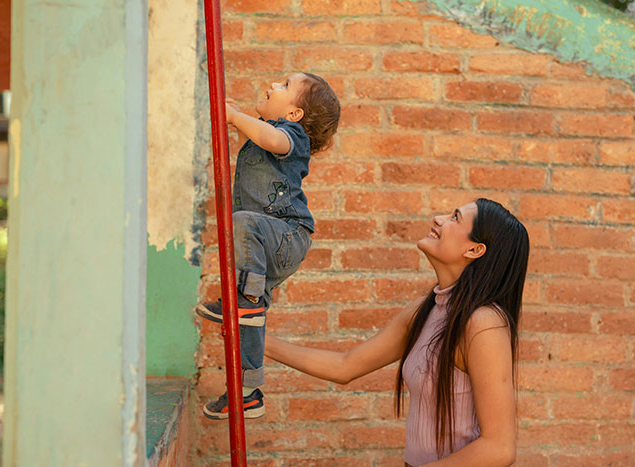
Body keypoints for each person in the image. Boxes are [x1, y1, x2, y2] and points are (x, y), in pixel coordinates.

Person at [266, 198, 529, 466]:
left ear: (474, 249)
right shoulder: (424, 311)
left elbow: (499, 448)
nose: (438, 218)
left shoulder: (483, 323)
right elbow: (344, 366)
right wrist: (258, 342)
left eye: (455, 218)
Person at [196, 72, 341, 420]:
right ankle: (246, 393)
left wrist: (235, 118)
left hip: (286, 235)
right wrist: (233, 118)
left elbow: (273, 140)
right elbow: (259, 133)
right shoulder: (268, 131)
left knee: (243, 221)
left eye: (284, 86)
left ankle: (245, 300)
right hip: (265, 245)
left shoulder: (293, 136)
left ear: (294, 115)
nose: (273, 85)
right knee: (250, 322)